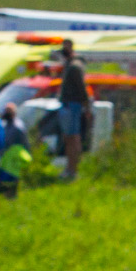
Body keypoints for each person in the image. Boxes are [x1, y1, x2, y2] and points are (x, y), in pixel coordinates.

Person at [58, 38, 89, 182]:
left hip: (73, 105)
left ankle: (73, 170)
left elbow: (82, 89)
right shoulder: (69, 64)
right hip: (68, 104)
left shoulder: (75, 66)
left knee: (73, 138)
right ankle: (69, 169)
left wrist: (86, 105)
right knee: (68, 137)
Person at [0, 105, 33, 200]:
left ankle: (12, 196)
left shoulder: (18, 126)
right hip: (5, 157)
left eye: (8, 111)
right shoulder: (4, 124)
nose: (6, 113)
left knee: (13, 177)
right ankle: (6, 196)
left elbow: (25, 143)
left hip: (14, 157)